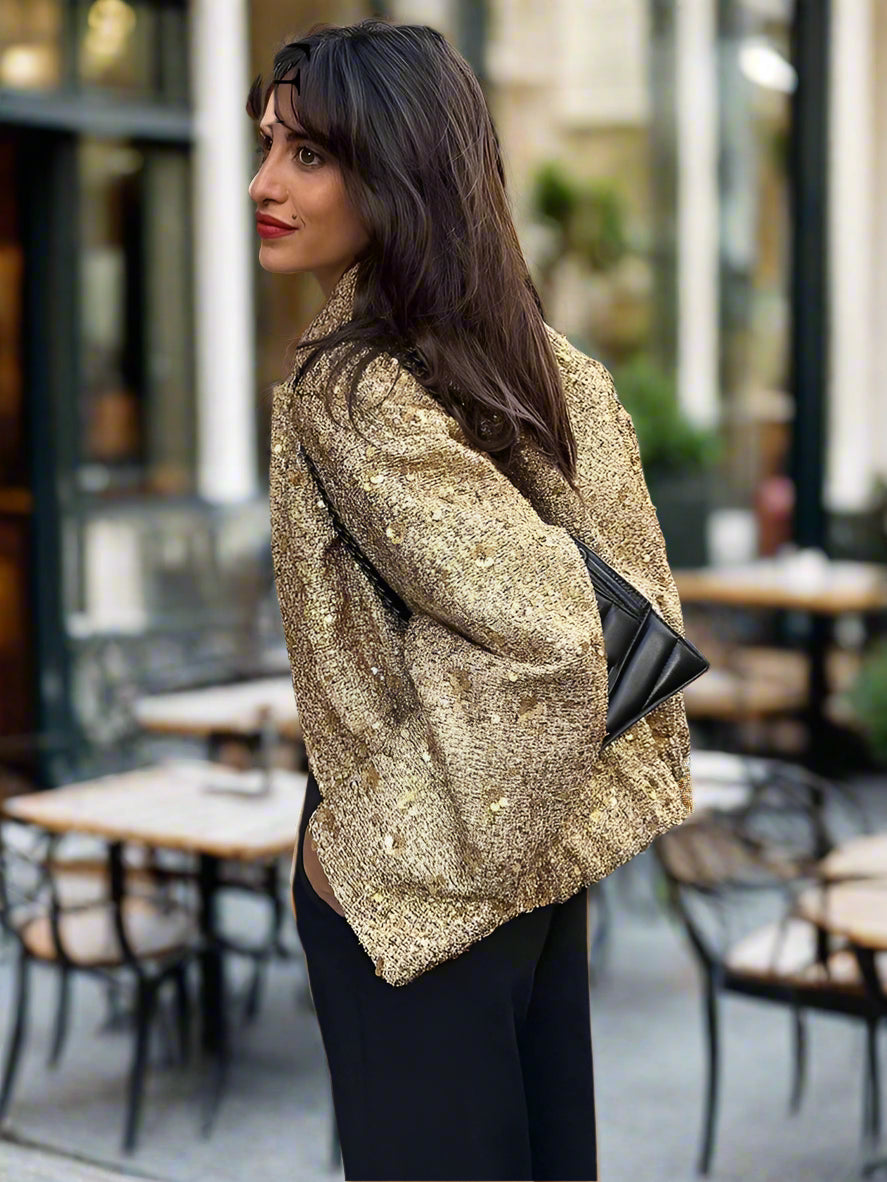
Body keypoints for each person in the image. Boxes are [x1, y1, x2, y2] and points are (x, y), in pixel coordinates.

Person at [248, 18, 693, 1182]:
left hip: (427, 845)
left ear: (394, 170)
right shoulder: (535, 361)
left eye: (307, 154)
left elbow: (548, 641)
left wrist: (362, 857)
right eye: (267, 145)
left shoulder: (350, 389)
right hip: (529, 839)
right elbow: (632, 598)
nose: (263, 184)